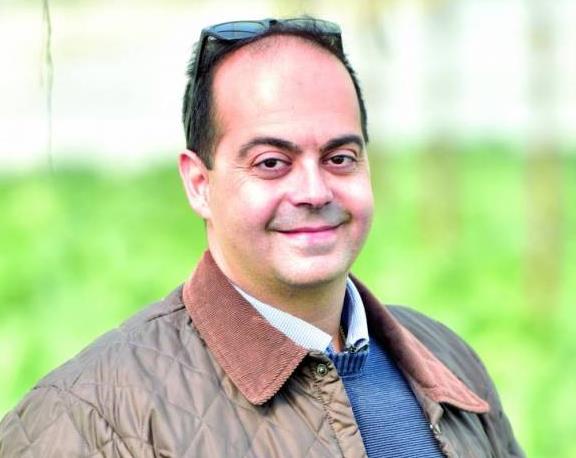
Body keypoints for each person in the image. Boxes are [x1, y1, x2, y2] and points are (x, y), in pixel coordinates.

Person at [0, 17, 523, 457]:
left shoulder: (449, 360)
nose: (314, 191)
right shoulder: (90, 416)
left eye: (340, 158)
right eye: (272, 163)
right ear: (199, 183)